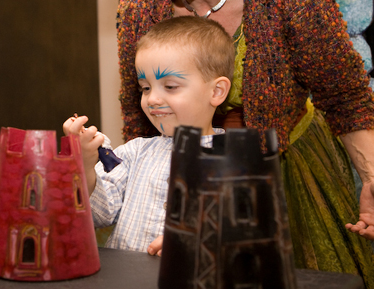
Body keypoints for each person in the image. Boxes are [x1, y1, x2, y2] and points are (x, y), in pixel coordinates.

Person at [116, 0, 374, 288]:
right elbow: (138, 114)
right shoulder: (138, 8)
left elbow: (345, 95)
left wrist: (371, 176)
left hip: (287, 163)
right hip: (185, 163)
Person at [63, 16, 234, 255]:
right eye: (145, 87)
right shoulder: (133, 153)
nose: (152, 99)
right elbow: (98, 215)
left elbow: (248, 240)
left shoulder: (238, 163)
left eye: (170, 86)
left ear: (216, 91)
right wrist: (84, 168)